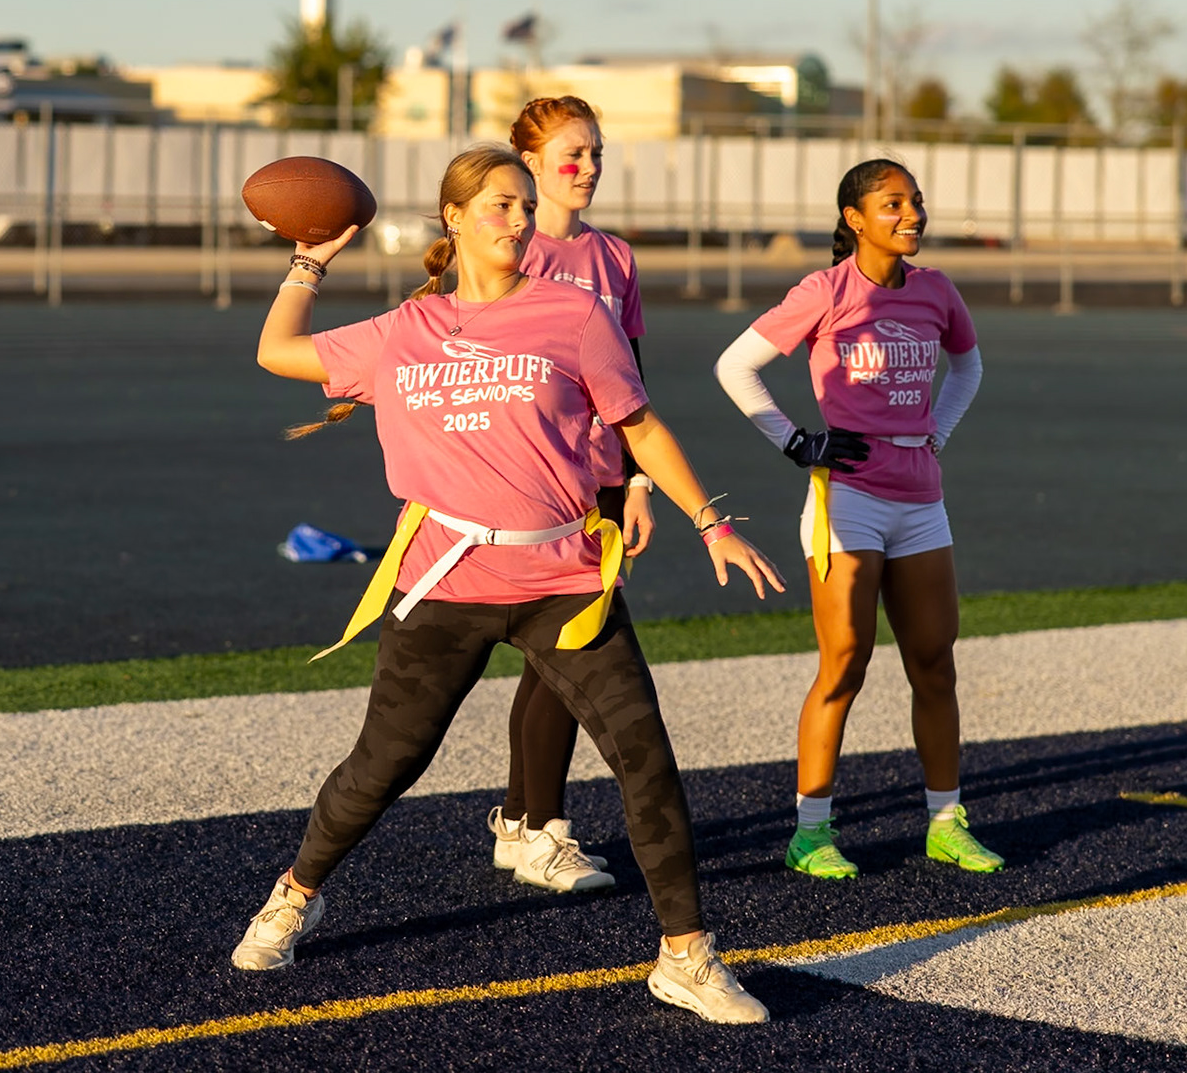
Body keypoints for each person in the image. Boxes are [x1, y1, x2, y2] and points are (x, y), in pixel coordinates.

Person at [232, 144, 783, 1025]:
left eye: (526, 205)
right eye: (499, 204)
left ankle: (686, 955)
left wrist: (710, 521)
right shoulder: (404, 330)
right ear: (452, 217)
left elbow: (639, 428)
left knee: (645, 760)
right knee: (382, 766)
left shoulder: (574, 314)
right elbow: (274, 352)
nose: (520, 220)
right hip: (445, 581)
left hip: (564, 581)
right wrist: (310, 260)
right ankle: (295, 895)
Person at [713, 158, 998, 880]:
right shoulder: (825, 290)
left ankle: (945, 823)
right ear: (855, 218)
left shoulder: (936, 289)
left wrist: (938, 432)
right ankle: (811, 832)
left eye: (916, 201)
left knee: (934, 663)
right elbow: (735, 366)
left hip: (922, 499)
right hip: (848, 501)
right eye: (893, 203)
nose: (912, 214)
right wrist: (795, 442)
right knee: (845, 663)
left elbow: (968, 368)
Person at [488, 95, 652, 892]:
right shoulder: (511, 255)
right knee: (567, 652)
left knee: (558, 660)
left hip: (605, 484)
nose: (588, 168)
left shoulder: (615, 257)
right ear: (529, 163)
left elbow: (633, 380)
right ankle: (541, 831)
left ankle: (523, 826)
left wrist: (639, 481)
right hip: (539, 485)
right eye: (572, 154)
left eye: (596, 153)